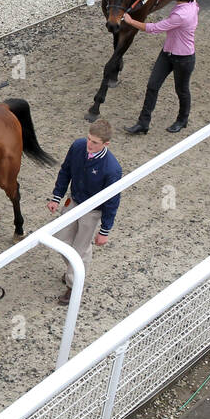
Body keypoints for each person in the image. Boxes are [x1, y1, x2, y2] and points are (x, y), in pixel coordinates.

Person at [47, 120, 122, 306]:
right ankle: (75, 270)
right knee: (59, 240)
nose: (90, 144)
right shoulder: (78, 146)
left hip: (92, 211)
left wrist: (105, 230)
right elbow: (66, 170)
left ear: (106, 144)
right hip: (73, 202)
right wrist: (57, 196)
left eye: (95, 142)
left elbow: (112, 201)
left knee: (79, 250)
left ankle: (74, 285)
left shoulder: (112, 168)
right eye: (89, 139)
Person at [119, 0, 199, 135]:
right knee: (152, 85)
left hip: (183, 58)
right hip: (167, 53)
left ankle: (182, 119)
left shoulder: (181, 15)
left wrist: (130, 21)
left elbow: (154, 28)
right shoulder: (192, 3)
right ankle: (143, 123)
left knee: (181, 90)